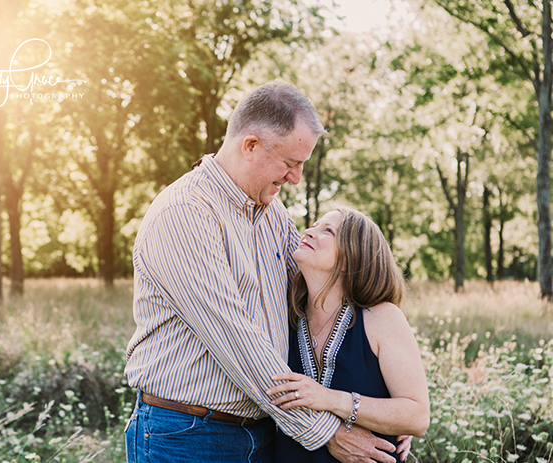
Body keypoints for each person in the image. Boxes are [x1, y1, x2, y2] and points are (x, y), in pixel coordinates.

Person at [124, 81, 409, 463]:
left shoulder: (272, 215)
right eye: (290, 163)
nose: (296, 178)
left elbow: (322, 295)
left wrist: (385, 410)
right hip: (187, 435)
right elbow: (238, 341)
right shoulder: (185, 213)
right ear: (251, 145)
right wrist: (328, 432)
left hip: (266, 434)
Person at [266, 207, 430, 462]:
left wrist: (330, 399)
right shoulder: (282, 315)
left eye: (327, 230)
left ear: (351, 258)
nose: (309, 231)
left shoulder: (381, 318)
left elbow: (417, 417)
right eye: (314, 224)